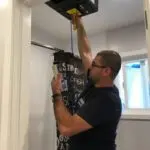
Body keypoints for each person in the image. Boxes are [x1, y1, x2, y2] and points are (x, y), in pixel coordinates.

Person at [51, 16, 122, 150]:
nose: (90, 66)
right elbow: (86, 52)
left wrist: (56, 94)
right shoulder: (96, 81)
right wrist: (80, 25)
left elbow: (66, 128)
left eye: (94, 64)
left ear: (106, 71)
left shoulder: (106, 101)